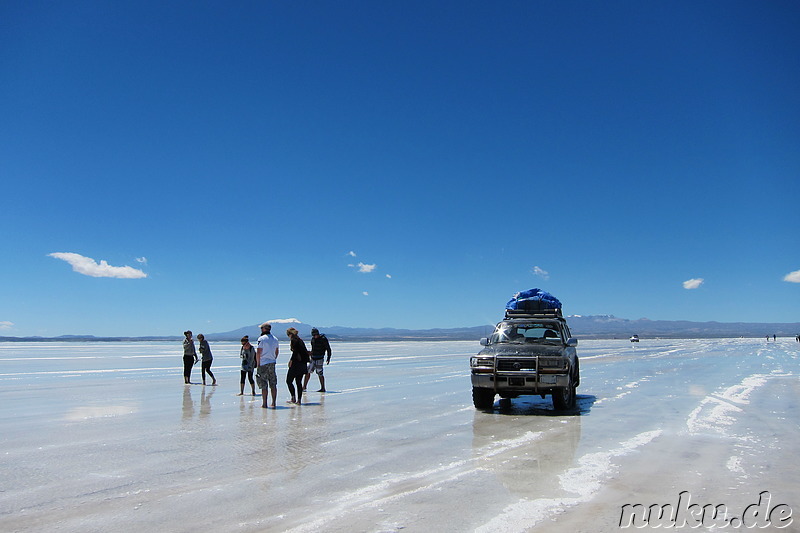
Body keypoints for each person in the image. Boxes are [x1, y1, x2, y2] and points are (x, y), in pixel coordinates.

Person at [256, 322, 280, 409]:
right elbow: (277, 351)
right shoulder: (275, 339)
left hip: (263, 363)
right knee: (273, 383)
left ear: (264, 329)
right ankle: (274, 402)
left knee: (264, 384)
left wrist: (258, 363)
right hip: (272, 363)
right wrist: (273, 358)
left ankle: (264, 403)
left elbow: (258, 352)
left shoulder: (261, 339)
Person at [286, 327, 310, 404]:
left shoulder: (294, 340)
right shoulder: (300, 340)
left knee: (289, 381)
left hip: (296, 364)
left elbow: (295, 352)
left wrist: (291, 361)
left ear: (290, 334)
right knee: (298, 382)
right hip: (302, 364)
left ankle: (293, 397)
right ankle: (299, 400)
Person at [304, 327, 332, 392]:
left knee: (320, 373)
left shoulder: (323, 339)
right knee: (307, 372)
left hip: (320, 358)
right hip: (313, 358)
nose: (314, 336)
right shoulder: (313, 339)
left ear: (318, 334)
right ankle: (304, 387)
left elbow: (328, 349)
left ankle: (323, 388)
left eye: (315, 335)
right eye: (313, 335)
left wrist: (328, 358)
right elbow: (313, 349)